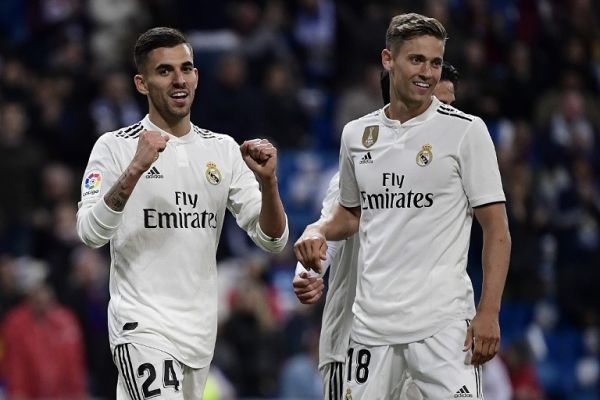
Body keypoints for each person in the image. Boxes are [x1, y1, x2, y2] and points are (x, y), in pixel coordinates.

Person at [294, 13, 511, 399]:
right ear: (388, 60)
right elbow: (348, 213)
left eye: (435, 62)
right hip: (370, 329)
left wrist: (488, 311)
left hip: (442, 327)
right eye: (416, 60)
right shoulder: (357, 135)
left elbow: (496, 228)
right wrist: (317, 230)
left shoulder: (466, 131)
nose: (427, 72)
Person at [76, 27, 288, 399]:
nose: (179, 80)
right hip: (142, 327)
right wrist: (134, 170)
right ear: (142, 84)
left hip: (199, 334)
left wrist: (269, 184)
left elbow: (272, 239)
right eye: (165, 71)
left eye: (186, 69)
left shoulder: (222, 150)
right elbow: (89, 232)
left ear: (197, 76)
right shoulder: (114, 147)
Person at [292, 62, 462, 400]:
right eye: (438, 106)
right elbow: (328, 228)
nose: (449, 118)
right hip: (356, 344)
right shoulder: (361, 166)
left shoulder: (451, 178)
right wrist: (310, 270)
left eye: (452, 107)